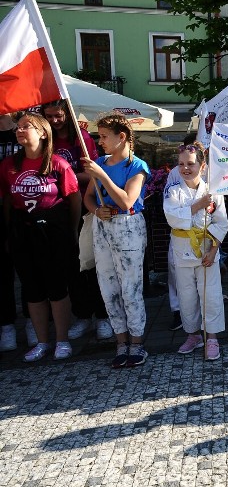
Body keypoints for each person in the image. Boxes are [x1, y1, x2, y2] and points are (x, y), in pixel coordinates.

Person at [0, 113, 80, 361]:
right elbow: (5, 201)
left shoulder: (57, 164)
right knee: (32, 289)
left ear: (43, 133)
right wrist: (7, 233)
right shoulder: (8, 165)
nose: (20, 131)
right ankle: (43, 342)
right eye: (19, 127)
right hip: (23, 231)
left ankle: (62, 340)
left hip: (54, 232)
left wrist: (72, 232)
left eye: (27, 127)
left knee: (57, 287)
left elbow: (74, 198)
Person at [81, 114, 150, 368]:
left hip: (128, 226)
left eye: (104, 137)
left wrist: (103, 175)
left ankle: (137, 343)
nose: (100, 142)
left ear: (122, 138)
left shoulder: (137, 166)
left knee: (130, 289)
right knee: (108, 288)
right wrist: (96, 210)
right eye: (99, 136)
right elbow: (88, 198)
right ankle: (120, 343)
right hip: (103, 227)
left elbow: (126, 201)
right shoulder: (100, 162)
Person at [39, 100, 106, 341]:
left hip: (85, 207)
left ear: (66, 113)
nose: (55, 121)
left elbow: (92, 171)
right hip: (57, 211)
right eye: (49, 116)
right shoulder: (45, 139)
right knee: (71, 267)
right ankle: (83, 315)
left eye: (58, 115)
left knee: (92, 264)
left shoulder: (82, 137)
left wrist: (61, 176)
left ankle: (103, 316)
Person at [163, 142, 228, 361]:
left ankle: (212, 337)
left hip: (206, 252)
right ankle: (193, 335)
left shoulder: (213, 191)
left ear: (202, 166)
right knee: (187, 296)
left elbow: (221, 223)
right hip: (182, 252)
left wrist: (213, 251)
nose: (185, 168)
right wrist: (197, 205)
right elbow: (172, 217)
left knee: (210, 295)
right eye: (181, 164)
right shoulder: (173, 191)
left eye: (191, 164)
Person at [163, 134, 200, 331]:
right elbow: (170, 208)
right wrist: (193, 208)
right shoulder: (175, 174)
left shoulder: (208, 170)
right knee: (177, 273)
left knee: (204, 277)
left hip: (203, 234)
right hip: (181, 234)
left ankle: (204, 317)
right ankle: (178, 312)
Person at [0, 113, 20, 352]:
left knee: (28, 270)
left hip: (21, 210)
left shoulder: (22, 131)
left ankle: (34, 325)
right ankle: (6, 325)